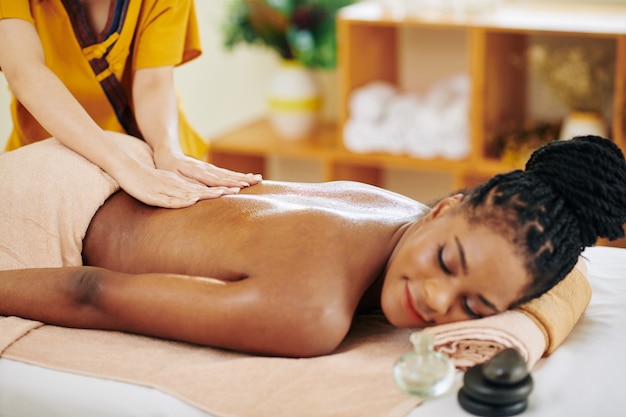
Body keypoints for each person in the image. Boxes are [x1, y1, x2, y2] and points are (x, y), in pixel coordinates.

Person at [1, 134, 625, 358]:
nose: (437, 301)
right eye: (446, 263)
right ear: (445, 208)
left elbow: (564, 276)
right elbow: (93, 294)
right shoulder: (311, 313)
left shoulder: (400, 211)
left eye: (475, 308)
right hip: (46, 211)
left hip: (112, 156)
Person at [0, 0, 261, 208]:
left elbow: (154, 81)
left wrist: (168, 151)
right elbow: (25, 72)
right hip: (47, 165)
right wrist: (125, 167)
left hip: (154, 158)